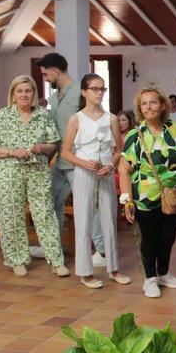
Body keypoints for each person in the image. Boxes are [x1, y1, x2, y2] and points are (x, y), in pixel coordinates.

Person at [0, 75, 69, 278]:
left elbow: (53, 143)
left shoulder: (43, 115)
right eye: (20, 91)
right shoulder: (2, 116)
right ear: (13, 95)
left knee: (45, 214)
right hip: (9, 173)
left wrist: (40, 147)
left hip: (37, 171)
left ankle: (56, 260)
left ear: (34, 94)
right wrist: (12, 151)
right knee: (10, 215)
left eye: (28, 91)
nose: (24, 95)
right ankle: (17, 260)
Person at [60, 74, 130, 289]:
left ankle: (114, 268)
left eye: (102, 89)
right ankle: (85, 272)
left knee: (109, 219)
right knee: (84, 220)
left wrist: (111, 163)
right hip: (83, 173)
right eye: (95, 89)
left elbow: (118, 151)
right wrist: (83, 162)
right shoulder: (76, 119)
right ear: (84, 92)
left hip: (106, 173)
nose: (99, 93)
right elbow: (65, 153)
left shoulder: (110, 119)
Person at [119, 88, 176, 298]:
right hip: (145, 197)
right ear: (140, 109)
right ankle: (150, 279)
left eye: (153, 102)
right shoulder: (136, 134)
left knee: (168, 236)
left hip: (175, 193)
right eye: (144, 104)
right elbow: (124, 169)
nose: (149, 107)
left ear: (162, 105)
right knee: (150, 238)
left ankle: (164, 273)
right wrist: (127, 200)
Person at [36, 52, 106, 267]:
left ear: (56, 70)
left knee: (88, 206)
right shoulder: (56, 97)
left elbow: (98, 119)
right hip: (61, 160)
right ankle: (52, 246)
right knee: (51, 202)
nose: (45, 78)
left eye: (46, 74)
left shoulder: (79, 91)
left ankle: (102, 252)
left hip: (79, 161)